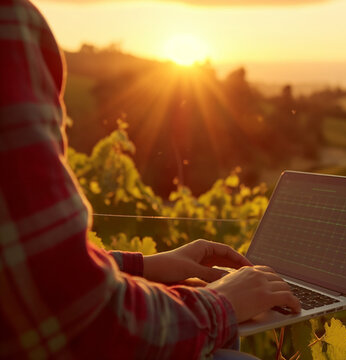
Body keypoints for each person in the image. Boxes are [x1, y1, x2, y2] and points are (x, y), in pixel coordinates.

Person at [0, 0, 301, 358]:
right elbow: (81, 318)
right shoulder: (8, 26)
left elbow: (28, 270)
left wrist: (143, 266)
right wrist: (220, 304)